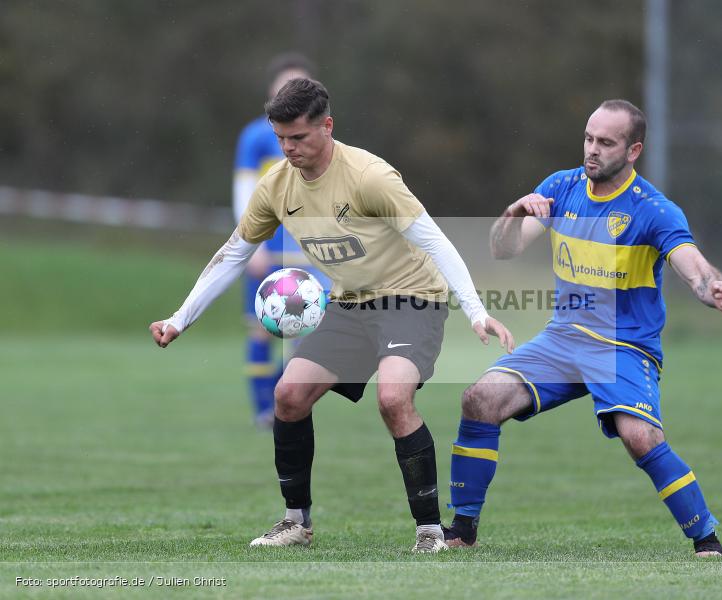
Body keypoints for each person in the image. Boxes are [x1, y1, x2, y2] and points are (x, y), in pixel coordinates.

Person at [150, 78, 514, 553]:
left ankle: (429, 531)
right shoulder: (277, 187)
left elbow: (434, 241)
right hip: (349, 303)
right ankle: (295, 522)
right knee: (289, 395)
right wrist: (180, 318)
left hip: (411, 299)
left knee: (392, 398)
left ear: (327, 126)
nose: (288, 148)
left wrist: (475, 310)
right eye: (280, 138)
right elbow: (235, 253)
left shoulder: (369, 176)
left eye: (298, 137)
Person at [443, 100, 722, 557]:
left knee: (640, 437)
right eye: (588, 138)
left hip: (625, 346)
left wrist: (710, 286)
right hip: (563, 338)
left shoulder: (654, 210)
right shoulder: (561, 188)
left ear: (633, 150)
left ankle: (706, 538)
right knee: (479, 398)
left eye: (605, 142)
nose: (591, 150)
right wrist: (515, 212)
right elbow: (503, 249)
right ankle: (461, 529)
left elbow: (689, 263)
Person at [233, 53, 330, 429]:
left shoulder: (318, 135)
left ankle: (283, 402)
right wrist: (251, 245)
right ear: (272, 93)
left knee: (303, 331)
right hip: (269, 247)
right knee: (263, 327)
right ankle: (261, 407)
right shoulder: (256, 136)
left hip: (308, 250)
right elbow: (243, 191)